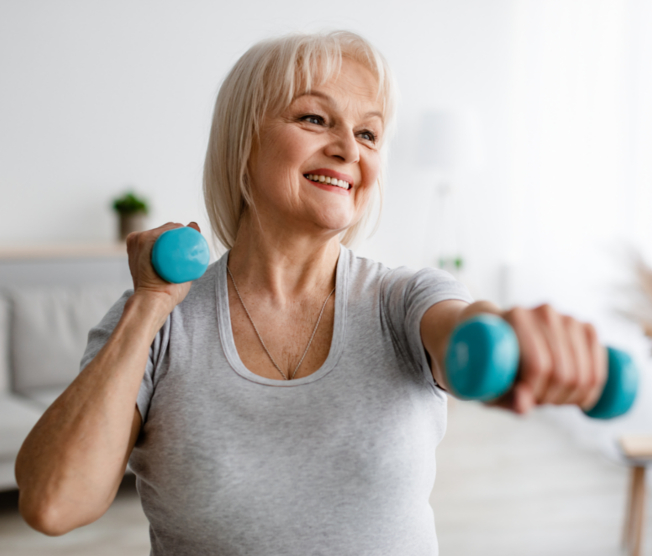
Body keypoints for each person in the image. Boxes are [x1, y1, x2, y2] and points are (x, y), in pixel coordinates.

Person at [15, 31, 607, 555]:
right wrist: (148, 304)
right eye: (315, 119)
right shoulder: (159, 320)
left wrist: (514, 337)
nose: (349, 148)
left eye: (369, 133)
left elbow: (463, 330)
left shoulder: (405, 300)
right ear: (243, 143)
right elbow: (53, 503)